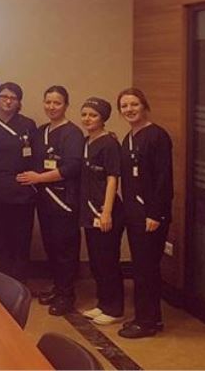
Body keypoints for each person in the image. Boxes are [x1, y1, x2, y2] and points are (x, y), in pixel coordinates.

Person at [17, 85, 84, 316]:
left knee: (65, 249)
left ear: (66, 105)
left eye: (57, 103)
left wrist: (39, 178)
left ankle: (67, 296)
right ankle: (58, 287)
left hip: (64, 200)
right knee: (52, 247)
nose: (52, 107)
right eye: (48, 102)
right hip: (44, 201)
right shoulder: (41, 131)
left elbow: (73, 167)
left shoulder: (72, 133)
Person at [117, 88, 173, 339]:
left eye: (134, 104)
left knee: (146, 268)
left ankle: (147, 322)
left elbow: (164, 179)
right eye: (124, 106)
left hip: (151, 215)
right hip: (134, 213)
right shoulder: (128, 138)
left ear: (144, 105)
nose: (129, 109)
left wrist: (155, 214)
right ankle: (148, 317)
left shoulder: (157, 136)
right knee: (141, 267)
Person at [0, 82, 37, 281]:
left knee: (21, 241)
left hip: (22, 193)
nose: (8, 101)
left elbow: (36, 156)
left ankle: (19, 284)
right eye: (4, 96)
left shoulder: (28, 124)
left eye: (13, 98)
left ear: (19, 102)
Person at [78, 97, 124, 326]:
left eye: (93, 115)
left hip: (105, 211)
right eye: (84, 114)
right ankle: (103, 303)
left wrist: (107, 212)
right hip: (89, 211)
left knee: (108, 261)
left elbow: (112, 178)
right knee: (96, 261)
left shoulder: (109, 144)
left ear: (103, 118)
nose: (87, 119)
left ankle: (115, 309)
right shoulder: (87, 141)